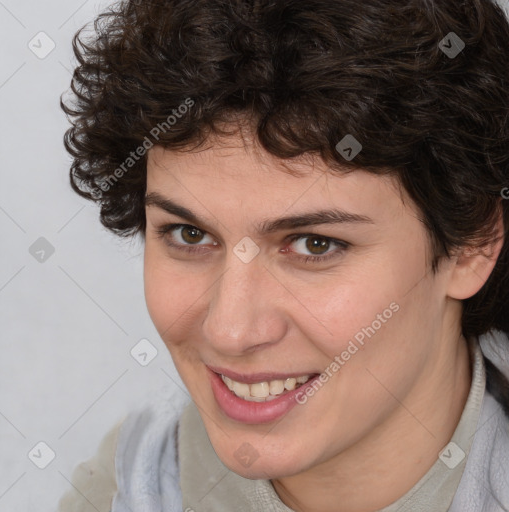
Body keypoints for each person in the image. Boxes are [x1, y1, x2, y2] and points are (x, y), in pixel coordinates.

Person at [57, 0, 509, 510]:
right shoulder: (119, 488)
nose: (230, 330)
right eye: (188, 234)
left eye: (315, 245)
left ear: (472, 244)